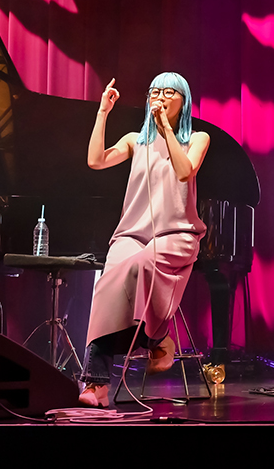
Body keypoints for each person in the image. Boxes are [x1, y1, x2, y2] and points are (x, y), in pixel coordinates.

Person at [78, 73, 210, 407]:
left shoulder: (197, 139)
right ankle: (97, 382)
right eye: (155, 91)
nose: (160, 97)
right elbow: (95, 161)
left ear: (183, 100)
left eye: (169, 92)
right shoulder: (134, 140)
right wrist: (102, 112)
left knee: (140, 264)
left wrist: (166, 128)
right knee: (108, 280)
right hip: (132, 234)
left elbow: (185, 171)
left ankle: (157, 338)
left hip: (177, 234)